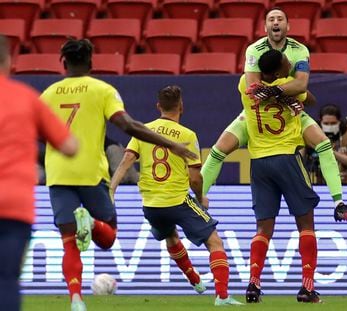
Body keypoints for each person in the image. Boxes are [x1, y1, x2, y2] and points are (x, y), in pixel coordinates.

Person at [40, 39, 197, 311]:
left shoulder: (48, 94)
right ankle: (90, 222)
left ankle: (76, 299)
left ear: (63, 63)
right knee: (109, 236)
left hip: (58, 173)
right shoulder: (103, 90)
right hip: (90, 172)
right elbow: (128, 125)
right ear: (91, 63)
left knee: (69, 242)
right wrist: (171, 144)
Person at [201, 6, 347, 222]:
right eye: (272, 19)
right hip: (257, 113)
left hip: (291, 114)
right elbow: (253, 88)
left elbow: (301, 84)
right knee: (219, 150)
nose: (276, 22)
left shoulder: (300, 49)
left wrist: (276, 91)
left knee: (323, 144)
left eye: (280, 19)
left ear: (287, 26)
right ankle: (197, 198)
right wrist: (286, 96)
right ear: (265, 26)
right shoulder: (254, 50)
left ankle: (339, 203)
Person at [110, 86, 243, 306]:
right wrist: (200, 198)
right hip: (178, 201)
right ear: (181, 107)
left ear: (158, 106)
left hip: (151, 206)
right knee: (215, 242)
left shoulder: (143, 130)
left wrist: (112, 189)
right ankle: (222, 295)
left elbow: (125, 162)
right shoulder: (187, 135)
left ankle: (195, 280)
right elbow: (195, 178)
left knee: (170, 235)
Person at [0, 35, 78, 311]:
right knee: (6, 279)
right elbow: (69, 146)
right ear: (9, 61)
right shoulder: (26, 98)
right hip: (13, 206)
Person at [243, 49, 322, 304]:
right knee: (306, 224)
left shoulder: (246, 85)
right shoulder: (288, 87)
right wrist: (288, 87)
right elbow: (310, 98)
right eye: (286, 61)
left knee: (263, 228)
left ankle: (253, 284)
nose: (289, 62)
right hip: (287, 157)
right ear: (279, 69)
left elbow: (250, 81)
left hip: (258, 162)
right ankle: (307, 288)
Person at [306, 104, 347, 191]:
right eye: (326, 123)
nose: (329, 126)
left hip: (344, 184)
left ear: (340, 121)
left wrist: (329, 151)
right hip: (316, 184)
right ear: (320, 122)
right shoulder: (310, 134)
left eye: (333, 123)